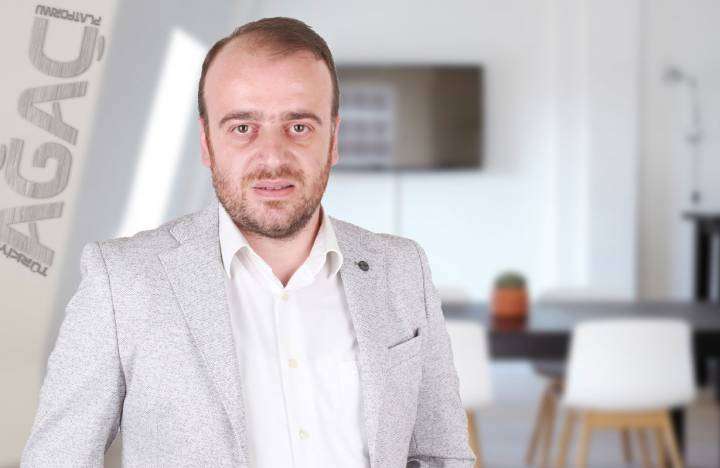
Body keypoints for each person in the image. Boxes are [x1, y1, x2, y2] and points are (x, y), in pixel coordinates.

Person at [20, 17, 476, 468]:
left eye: (299, 127)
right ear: (207, 143)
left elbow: (442, 455)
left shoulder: (402, 269)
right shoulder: (121, 282)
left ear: (334, 139)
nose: (273, 157)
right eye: (243, 127)